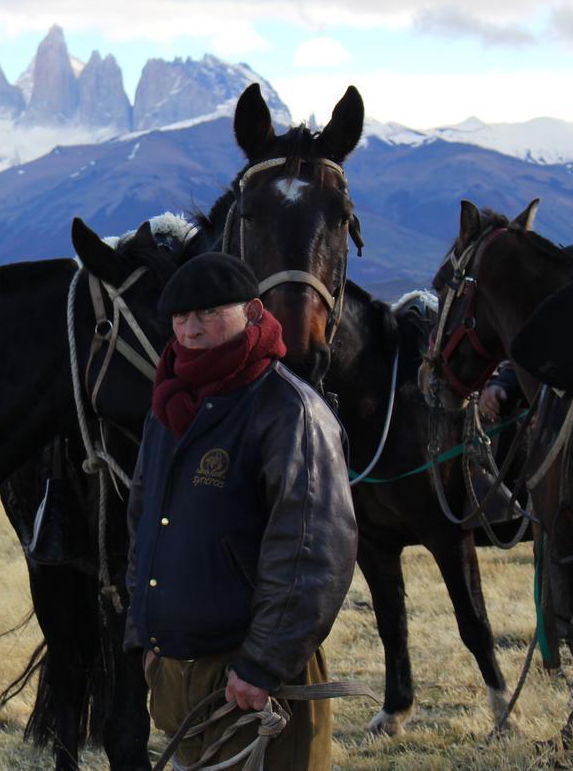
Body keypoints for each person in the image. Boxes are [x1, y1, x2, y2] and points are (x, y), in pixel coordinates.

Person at [125, 253, 358, 770]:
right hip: (177, 668)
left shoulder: (287, 410)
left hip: (253, 677)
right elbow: (145, 524)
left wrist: (262, 664)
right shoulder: (167, 408)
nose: (190, 328)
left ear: (253, 311)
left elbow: (312, 552)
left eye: (208, 312)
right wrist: (146, 633)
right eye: (180, 317)